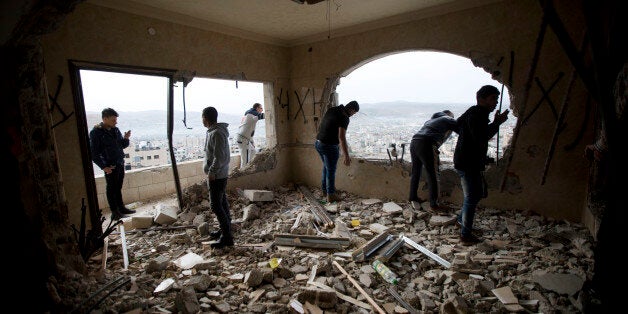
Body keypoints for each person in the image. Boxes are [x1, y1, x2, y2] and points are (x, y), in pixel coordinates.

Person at [454, 85, 509, 245]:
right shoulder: (478, 114)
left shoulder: (474, 112)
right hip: (468, 163)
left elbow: (458, 125)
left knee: (474, 195)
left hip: (465, 160)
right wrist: (497, 123)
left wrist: (467, 140)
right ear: (481, 99)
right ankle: (465, 234)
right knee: (472, 197)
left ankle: (461, 220)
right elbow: (481, 137)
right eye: (493, 99)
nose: (495, 103)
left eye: (497, 99)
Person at [90, 108, 136, 220]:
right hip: (110, 165)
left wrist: (126, 138)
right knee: (111, 189)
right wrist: (104, 166)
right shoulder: (96, 132)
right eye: (113, 120)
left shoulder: (115, 130)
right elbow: (94, 152)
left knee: (118, 187)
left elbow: (122, 145)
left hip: (119, 162)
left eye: (115, 120)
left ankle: (121, 208)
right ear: (105, 119)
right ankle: (114, 212)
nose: (115, 122)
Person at [408, 110, 458, 211]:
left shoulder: (430, 121)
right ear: (449, 116)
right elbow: (463, 130)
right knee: (433, 175)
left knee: (415, 172)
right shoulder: (448, 119)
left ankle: (413, 197)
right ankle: (434, 204)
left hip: (414, 142)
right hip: (427, 143)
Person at [315, 100, 360, 203]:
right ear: (352, 110)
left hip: (318, 143)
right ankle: (330, 195)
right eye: (354, 113)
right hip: (329, 146)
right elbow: (342, 137)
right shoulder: (344, 117)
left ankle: (324, 191)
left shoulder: (332, 109)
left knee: (326, 167)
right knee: (331, 170)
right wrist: (346, 156)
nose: (353, 115)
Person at [202, 106, 234, 248]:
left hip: (217, 176)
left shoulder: (216, 133)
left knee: (215, 205)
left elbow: (219, 157)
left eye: (202, 118)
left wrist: (212, 172)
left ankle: (227, 237)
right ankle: (225, 230)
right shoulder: (213, 132)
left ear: (206, 118)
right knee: (222, 203)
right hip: (219, 174)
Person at [236, 103, 265, 168]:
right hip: (243, 139)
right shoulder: (252, 114)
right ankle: (243, 174)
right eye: (261, 108)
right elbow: (263, 116)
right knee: (245, 160)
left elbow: (248, 131)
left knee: (253, 152)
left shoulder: (248, 115)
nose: (262, 110)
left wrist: (252, 142)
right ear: (257, 108)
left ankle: (249, 168)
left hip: (244, 138)